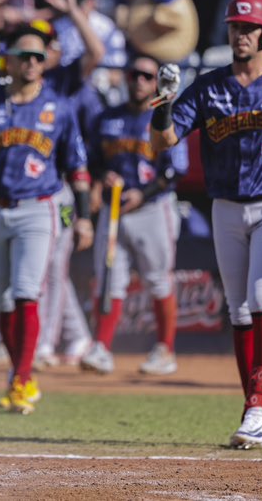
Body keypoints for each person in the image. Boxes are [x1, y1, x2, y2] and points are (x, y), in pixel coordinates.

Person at [150, 0, 262, 449]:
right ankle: (253, 406)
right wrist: (164, 103)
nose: (240, 34)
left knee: (261, 298)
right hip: (225, 204)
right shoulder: (211, 86)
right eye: (234, 26)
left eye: (249, 28)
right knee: (238, 310)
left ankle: (260, 409)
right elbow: (164, 141)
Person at [0, 24, 94, 416]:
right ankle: (19, 373)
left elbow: (77, 166)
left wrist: (84, 217)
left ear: (45, 64)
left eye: (38, 57)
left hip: (37, 206)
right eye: (24, 56)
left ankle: (22, 378)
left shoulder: (59, 107)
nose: (31, 63)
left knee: (27, 291)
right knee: (4, 300)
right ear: (7, 60)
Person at [79, 55, 189, 376]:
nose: (139, 81)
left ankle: (165, 350)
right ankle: (101, 347)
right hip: (115, 208)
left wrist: (145, 193)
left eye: (146, 76)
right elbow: (92, 159)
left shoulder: (165, 116)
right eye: (134, 75)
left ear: (156, 83)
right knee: (109, 278)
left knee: (158, 279)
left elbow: (174, 170)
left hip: (153, 208)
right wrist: (102, 177)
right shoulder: (107, 118)